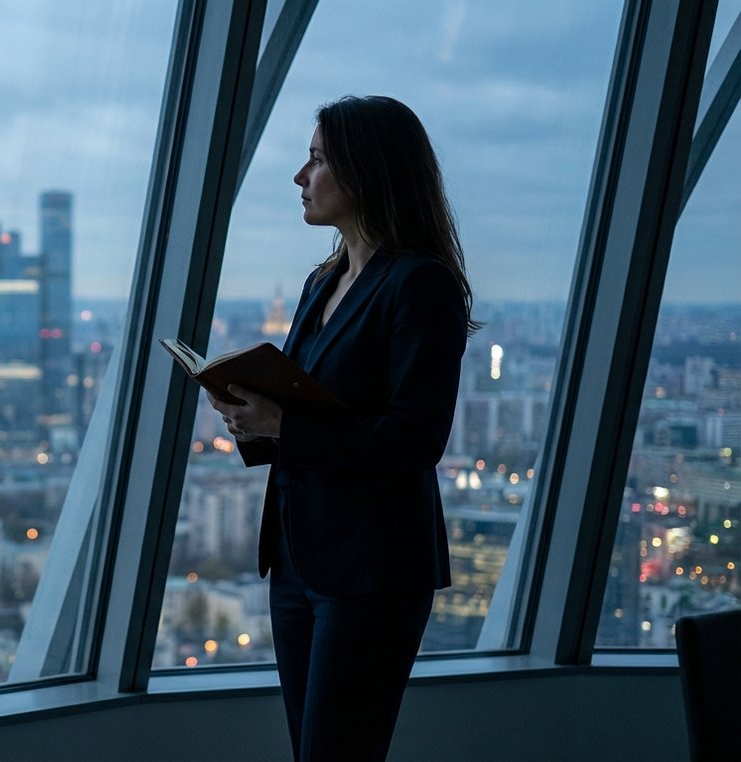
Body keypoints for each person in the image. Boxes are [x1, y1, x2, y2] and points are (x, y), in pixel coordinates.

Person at [208, 95, 478, 761]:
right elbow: (306, 407)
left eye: (318, 160)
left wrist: (282, 423)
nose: (301, 176)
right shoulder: (322, 282)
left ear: (366, 172)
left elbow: (416, 440)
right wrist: (251, 418)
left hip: (372, 569)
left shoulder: (420, 285)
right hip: (298, 559)